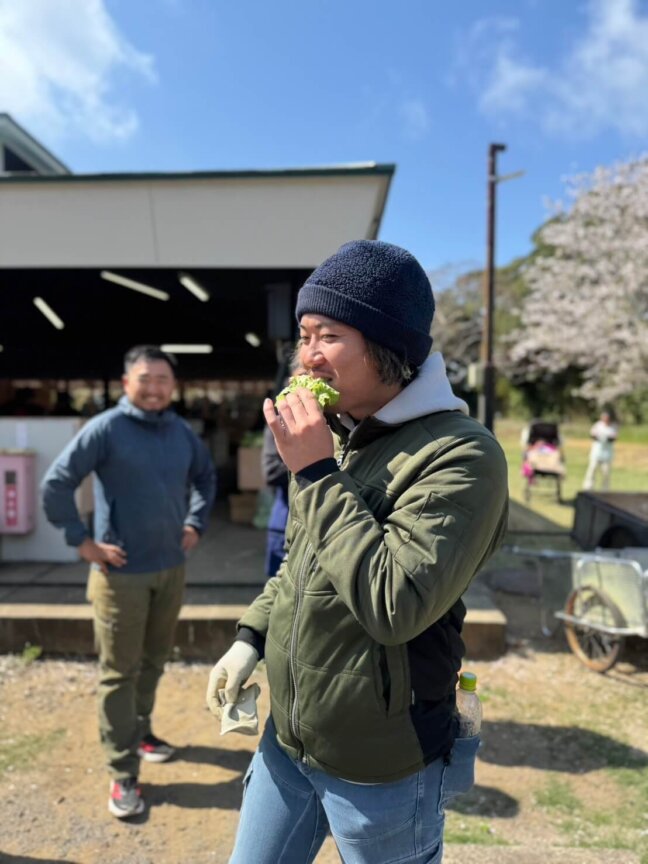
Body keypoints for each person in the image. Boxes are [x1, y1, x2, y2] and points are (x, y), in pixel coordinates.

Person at [205, 240, 509, 864]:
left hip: (384, 765)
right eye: (303, 334)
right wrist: (251, 637)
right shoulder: (338, 436)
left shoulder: (463, 455)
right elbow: (299, 565)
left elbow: (394, 604)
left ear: (387, 345)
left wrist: (315, 474)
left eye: (327, 335)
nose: (306, 356)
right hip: (287, 742)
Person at [42, 345, 216, 819]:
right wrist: (82, 541)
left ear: (173, 386)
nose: (155, 387)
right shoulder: (106, 429)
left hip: (170, 568)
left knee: (155, 659)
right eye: (145, 378)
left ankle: (140, 732)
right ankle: (122, 773)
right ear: (126, 383)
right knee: (119, 672)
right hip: (120, 575)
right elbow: (55, 483)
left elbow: (205, 477)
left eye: (163, 379)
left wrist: (195, 523)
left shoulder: (181, 432)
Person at [583, 410, 618, 491]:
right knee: (592, 470)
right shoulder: (597, 425)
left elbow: (614, 437)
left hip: (607, 454)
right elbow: (592, 435)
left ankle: (605, 489)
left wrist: (606, 438)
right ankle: (588, 487)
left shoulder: (613, 427)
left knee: (606, 473)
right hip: (596, 453)